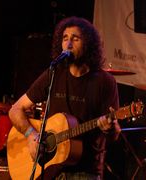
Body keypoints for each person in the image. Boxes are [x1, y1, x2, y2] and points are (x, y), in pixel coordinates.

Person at [8, 16, 121, 179]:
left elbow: (114, 134)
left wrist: (110, 128)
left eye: (75, 39)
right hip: (49, 168)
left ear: (88, 44)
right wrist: (31, 134)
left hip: (85, 170)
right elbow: (15, 110)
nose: (68, 44)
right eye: (65, 38)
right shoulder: (54, 73)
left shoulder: (105, 82)